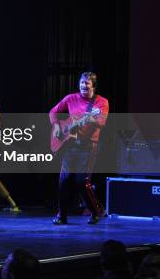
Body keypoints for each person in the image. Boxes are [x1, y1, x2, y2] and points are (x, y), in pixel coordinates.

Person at [49, 71, 109, 225]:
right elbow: (53, 112)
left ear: (93, 86)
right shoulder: (71, 98)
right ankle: (61, 215)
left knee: (82, 181)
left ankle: (96, 211)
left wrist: (89, 118)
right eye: (82, 83)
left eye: (87, 83)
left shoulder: (101, 102)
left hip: (88, 146)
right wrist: (56, 126)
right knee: (64, 180)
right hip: (70, 145)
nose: (83, 86)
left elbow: (102, 122)